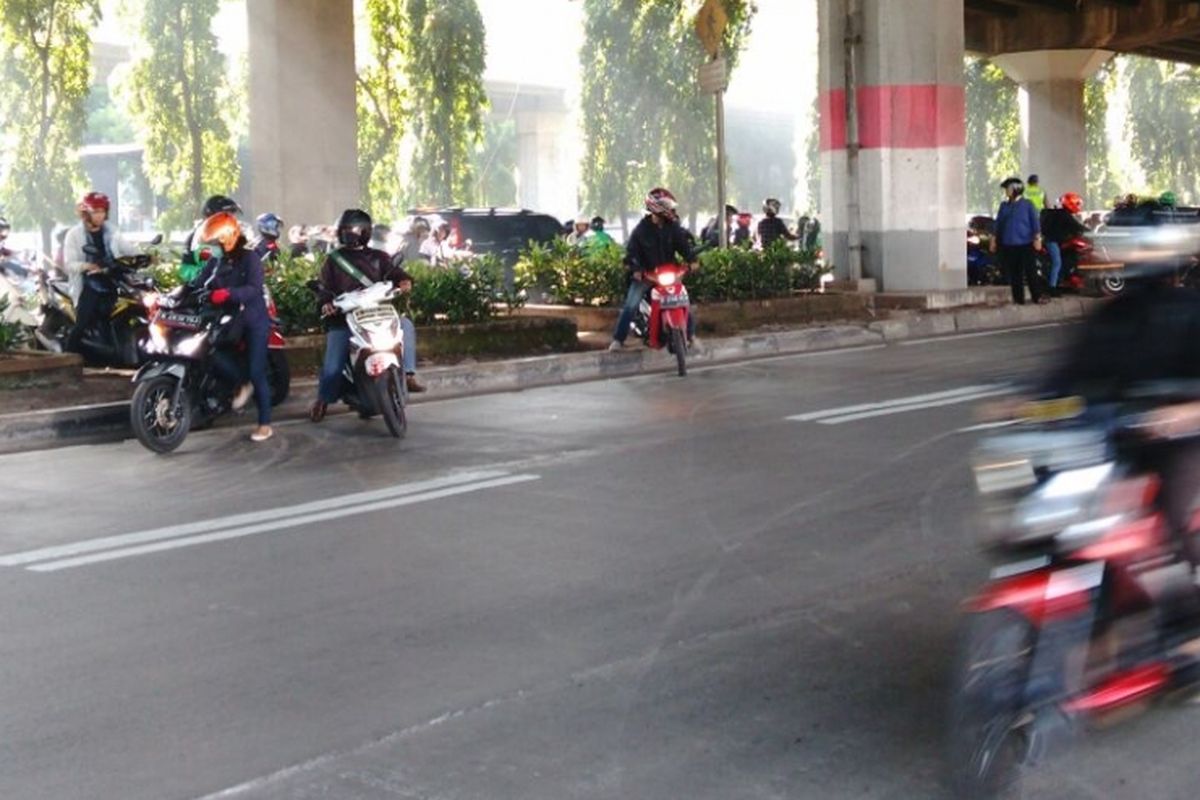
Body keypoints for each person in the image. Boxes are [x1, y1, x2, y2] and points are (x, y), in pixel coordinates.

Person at [1029, 261, 1200, 564]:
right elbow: (1067, 376)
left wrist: (1187, 412)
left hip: (1178, 441)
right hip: (1110, 440)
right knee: (1053, 520)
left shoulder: (1190, 312)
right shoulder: (1109, 316)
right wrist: (1027, 404)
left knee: (1177, 520)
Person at [310, 208, 425, 423]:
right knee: (333, 366)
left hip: (378, 313)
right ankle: (323, 400)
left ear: (365, 231)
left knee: (406, 325)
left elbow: (394, 272)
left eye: (352, 229)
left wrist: (405, 280)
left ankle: (408, 375)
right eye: (344, 229)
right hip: (345, 319)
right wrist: (326, 302)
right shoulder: (333, 260)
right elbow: (324, 287)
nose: (348, 233)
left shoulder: (379, 257)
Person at [190, 211, 274, 442]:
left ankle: (265, 424)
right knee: (208, 352)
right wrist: (182, 292)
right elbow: (198, 282)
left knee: (257, 372)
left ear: (228, 238)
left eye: (215, 242)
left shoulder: (250, 258)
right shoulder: (216, 261)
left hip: (253, 321)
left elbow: (254, 289)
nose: (212, 247)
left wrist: (228, 293)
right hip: (226, 320)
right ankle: (239, 383)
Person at [608, 187, 698, 351]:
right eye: (668, 207)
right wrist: (636, 269)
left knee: (682, 299)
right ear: (657, 208)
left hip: (669, 274)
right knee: (630, 304)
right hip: (647, 276)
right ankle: (618, 339)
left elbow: (684, 246)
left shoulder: (673, 227)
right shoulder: (641, 230)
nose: (672, 210)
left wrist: (692, 260)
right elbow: (631, 253)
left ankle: (691, 335)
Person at [61, 191, 133, 354]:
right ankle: (68, 356)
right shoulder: (74, 234)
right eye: (95, 212)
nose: (99, 215)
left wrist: (143, 257)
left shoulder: (112, 231)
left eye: (102, 211)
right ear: (86, 213)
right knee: (82, 322)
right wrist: (87, 266)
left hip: (112, 281)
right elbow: (69, 264)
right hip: (88, 284)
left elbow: (128, 249)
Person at [992, 177, 1045, 305]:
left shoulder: (1027, 204)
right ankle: (1018, 299)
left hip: (1026, 244)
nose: (1006, 192)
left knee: (1031, 272)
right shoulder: (1004, 206)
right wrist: (993, 240)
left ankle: (1037, 297)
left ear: (1016, 189)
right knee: (1015, 274)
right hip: (1009, 245)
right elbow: (998, 224)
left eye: (1008, 189)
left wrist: (1037, 238)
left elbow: (1035, 223)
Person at [181, 195, 242, 281]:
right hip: (205, 288)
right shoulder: (196, 238)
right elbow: (187, 273)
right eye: (227, 215)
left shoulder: (234, 237)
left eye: (232, 214)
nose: (232, 218)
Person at [1041, 192, 1087, 296]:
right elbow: (1077, 226)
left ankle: (1063, 280)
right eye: (1077, 203)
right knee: (1057, 262)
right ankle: (1052, 287)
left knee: (1065, 258)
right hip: (1052, 241)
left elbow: (1075, 227)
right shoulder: (1064, 215)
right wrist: (1089, 231)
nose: (1078, 205)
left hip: (1055, 241)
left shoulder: (1062, 213)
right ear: (1071, 203)